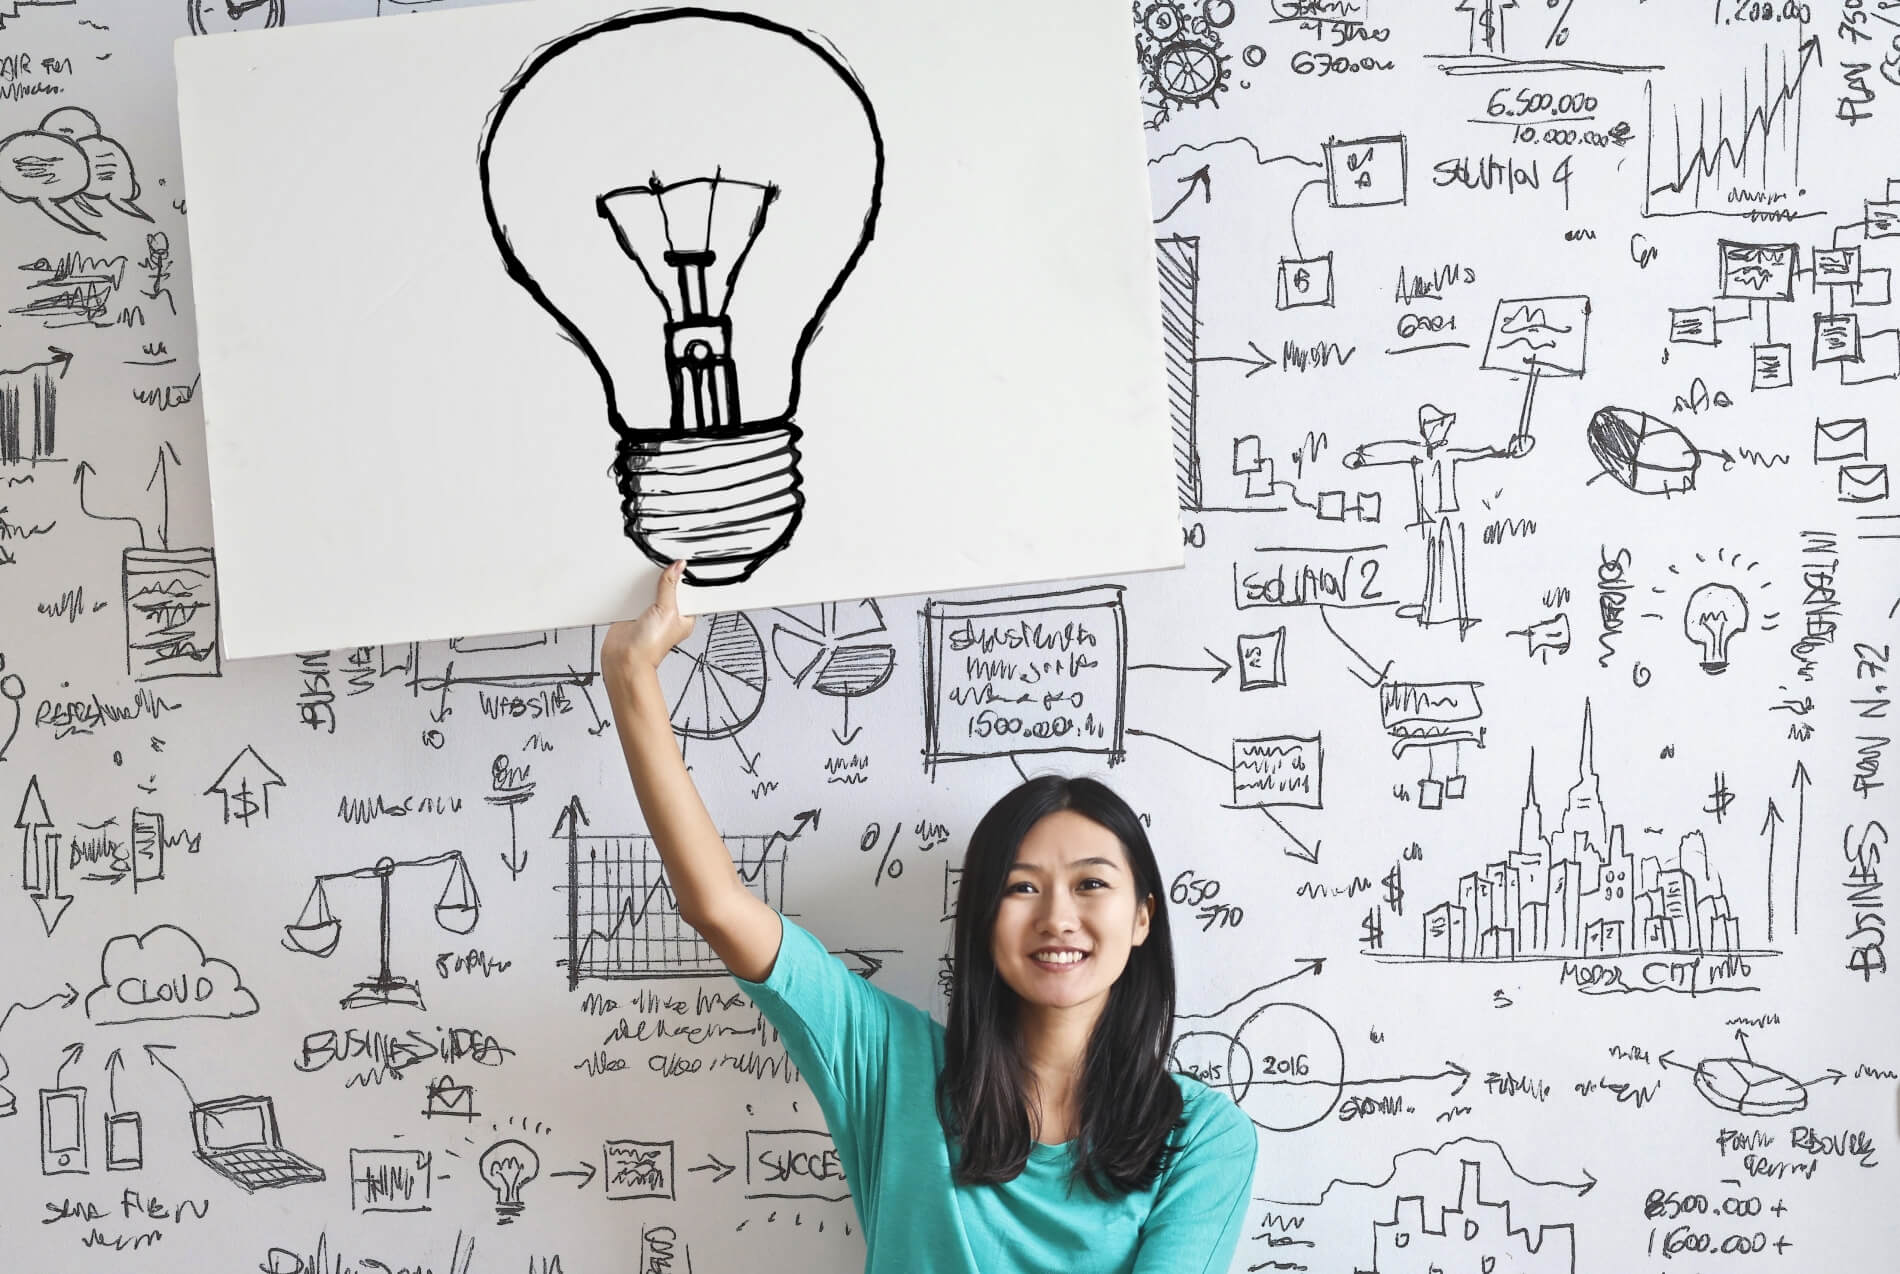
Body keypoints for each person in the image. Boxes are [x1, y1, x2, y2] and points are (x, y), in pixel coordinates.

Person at [601, 561, 1258, 1274]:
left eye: (1092, 884)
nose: (1058, 919)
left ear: (1141, 919)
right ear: (981, 918)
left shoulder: (1202, 1136)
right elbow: (719, 907)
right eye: (1021, 888)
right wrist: (632, 675)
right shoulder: (891, 1064)